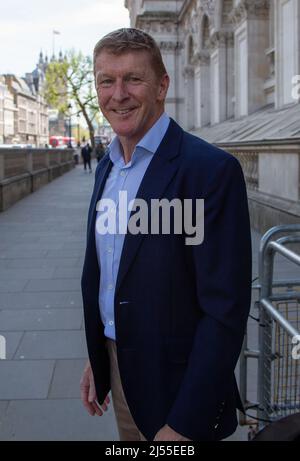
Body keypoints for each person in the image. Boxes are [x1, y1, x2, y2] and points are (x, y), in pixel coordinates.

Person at [80, 28, 252, 442]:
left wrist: (184, 423)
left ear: (162, 87)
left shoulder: (210, 171)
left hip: (179, 393)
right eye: (106, 80)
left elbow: (225, 312)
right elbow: (111, 272)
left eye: (133, 79)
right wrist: (102, 355)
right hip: (120, 371)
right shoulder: (108, 166)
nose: (117, 94)